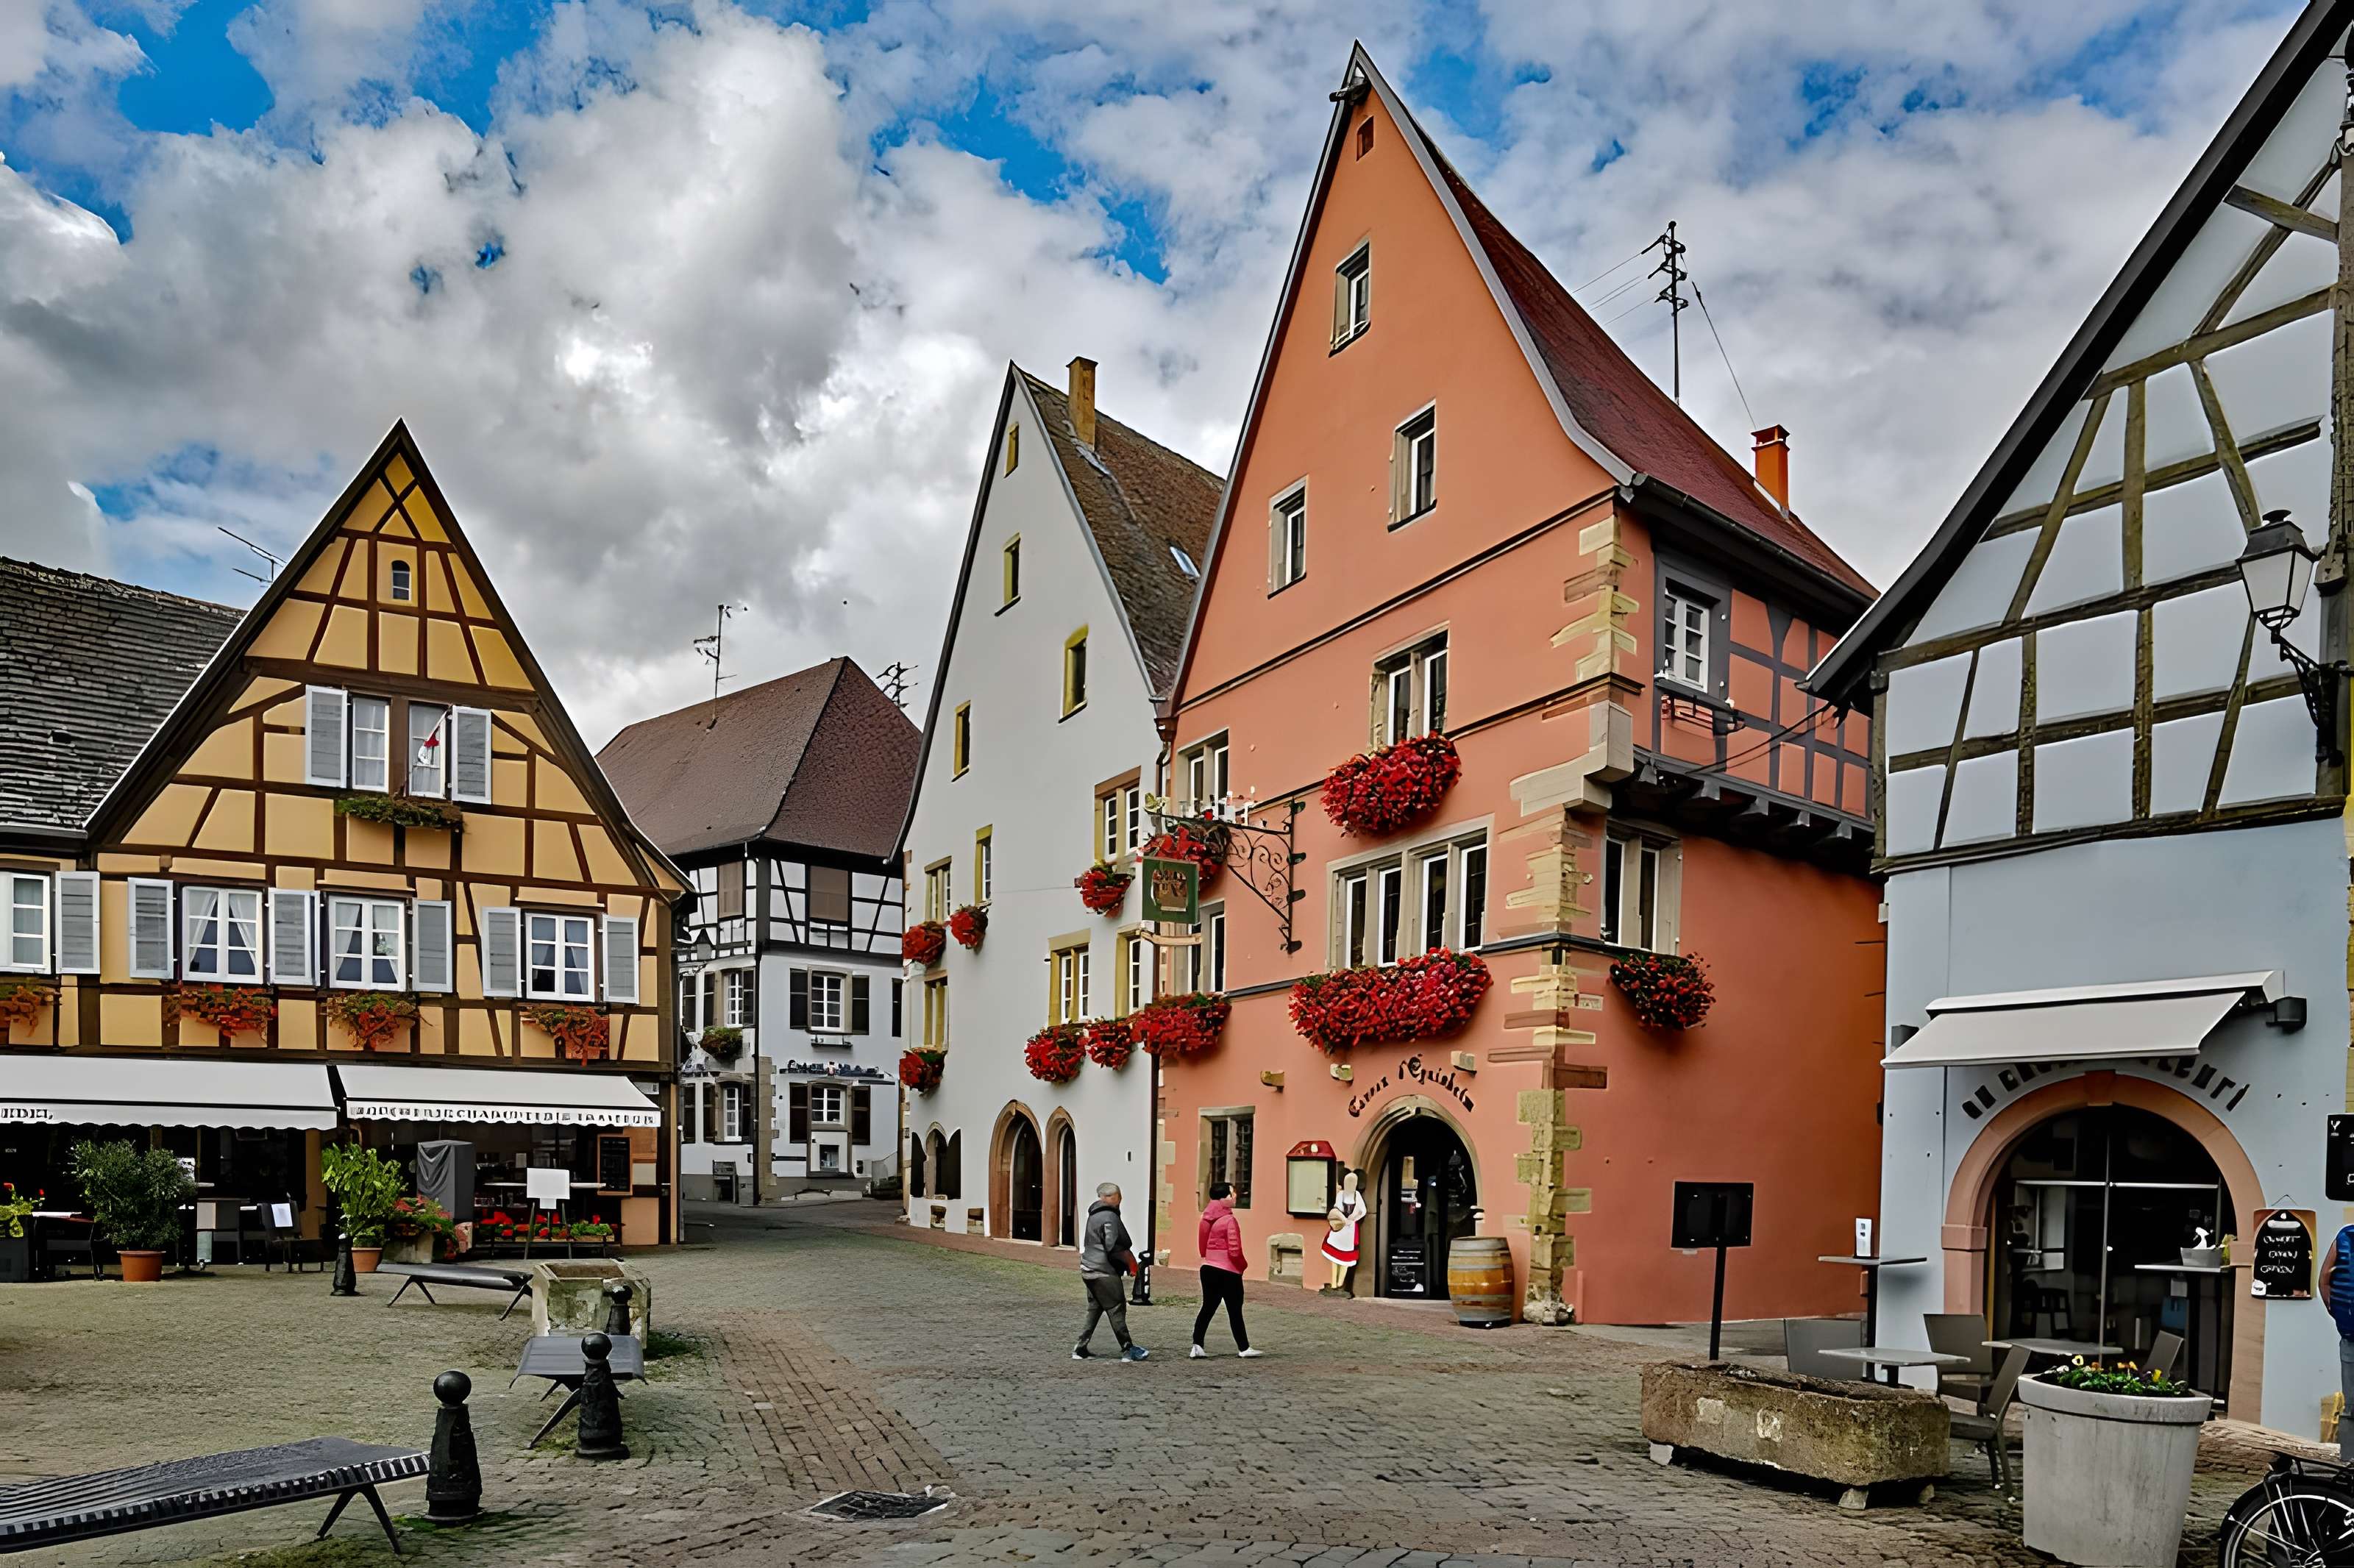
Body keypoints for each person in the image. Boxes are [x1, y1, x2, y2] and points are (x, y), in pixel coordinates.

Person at [1075, 1182, 1148, 1362]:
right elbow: (1111, 1244)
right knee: (1117, 1307)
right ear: (1112, 1198)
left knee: (1095, 1308)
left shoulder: (1093, 1215)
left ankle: (1080, 1348)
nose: (1120, 1200)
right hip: (1103, 1270)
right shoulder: (1109, 1217)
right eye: (1118, 1196)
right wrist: (1126, 1260)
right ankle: (1128, 1349)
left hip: (1088, 1267)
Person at [1191, 1180, 1263, 1359]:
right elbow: (1235, 1250)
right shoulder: (1229, 1220)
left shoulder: (1206, 1218)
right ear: (1224, 1199)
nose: (1235, 1196)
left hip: (1208, 1268)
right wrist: (1242, 1265)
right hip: (1228, 1271)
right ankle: (1244, 1348)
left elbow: (1202, 1245)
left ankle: (1197, 1345)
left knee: (1207, 1308)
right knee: (1235, 1310)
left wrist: (1209, 1258)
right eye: (1232, 1194)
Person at [2320, 1221, 2354, 1456]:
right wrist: (2338, 1313)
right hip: (2350, 1335)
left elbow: (2324, 1279)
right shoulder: (2345, 1237)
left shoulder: (2345, 1236)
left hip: (2349, 1333)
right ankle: (2350, 1459)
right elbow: (2324, 1279)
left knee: (2352, 1406)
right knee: (2351, 1406)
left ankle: (2349, 1459)